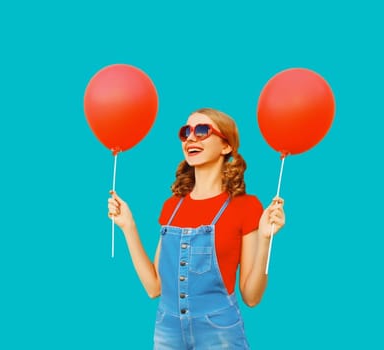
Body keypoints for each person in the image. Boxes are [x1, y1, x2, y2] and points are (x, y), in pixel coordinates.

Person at [107, 107, 286, 349]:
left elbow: (251, 297)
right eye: (186, 131)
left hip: (219, 332)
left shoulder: (245, 206)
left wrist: (265, 238)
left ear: (226, 146)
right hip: (166, 330)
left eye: (202, 131)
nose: (191, 137)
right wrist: (128, 226)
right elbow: (154, 288)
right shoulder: (172, 207)